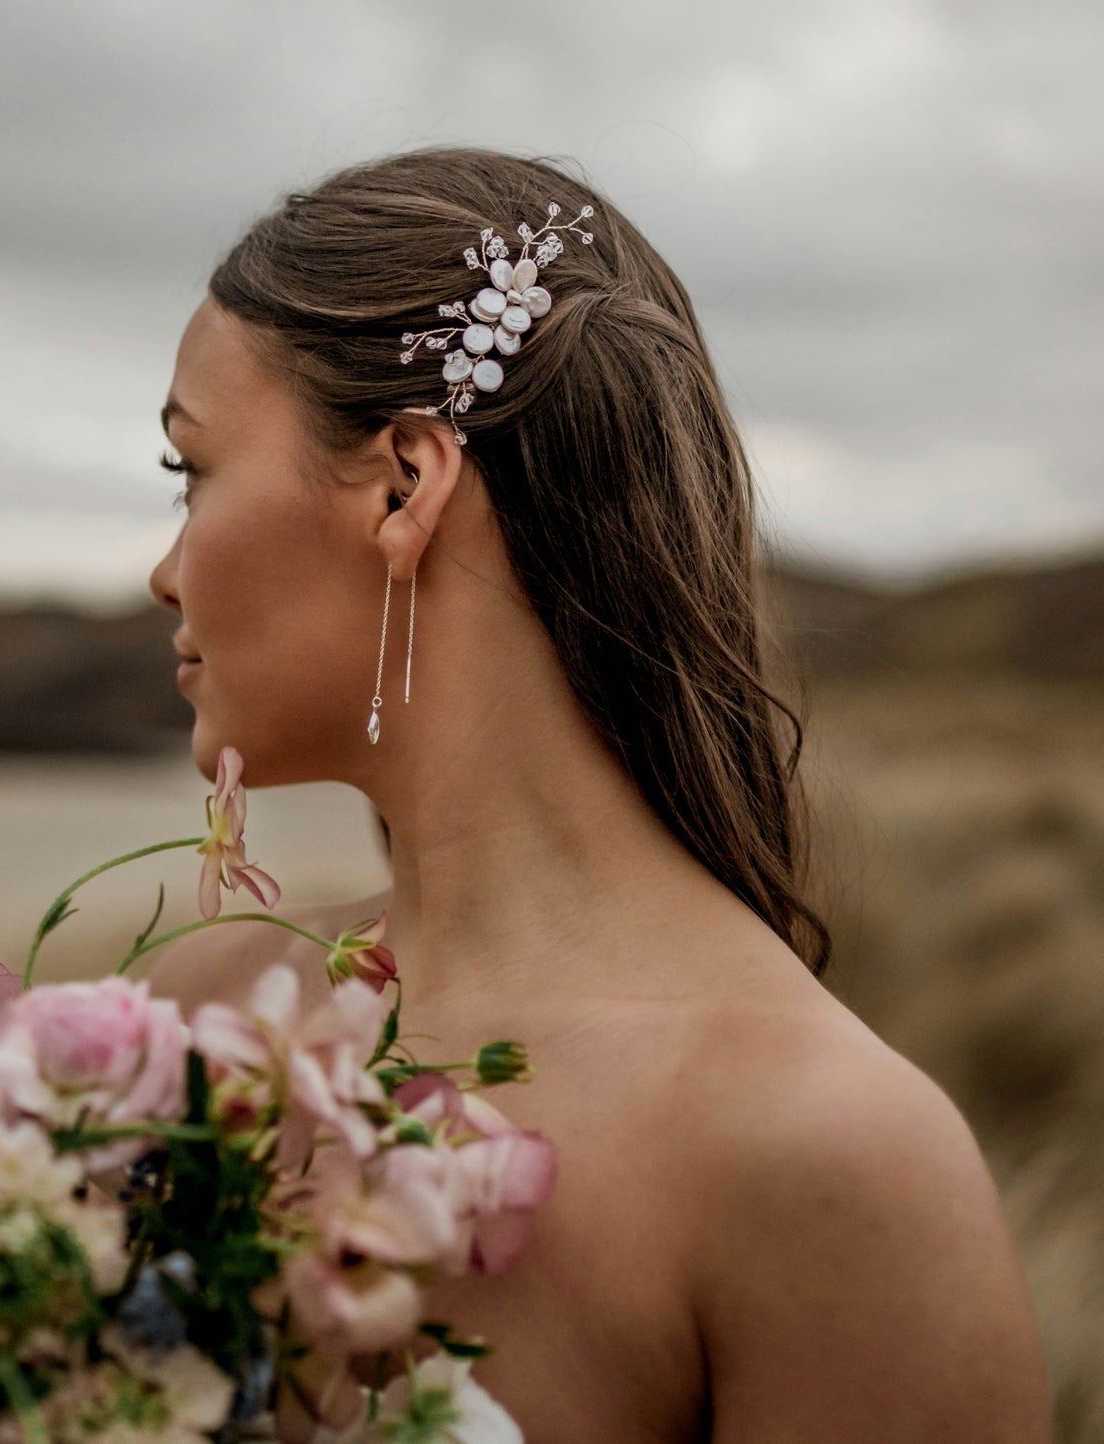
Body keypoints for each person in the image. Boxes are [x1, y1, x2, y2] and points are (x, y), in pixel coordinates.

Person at [144, 147, 1049, 1442]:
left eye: (192, 472)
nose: (164, 574)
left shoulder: (828, 1162)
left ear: (404, 482)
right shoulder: (189, 1021)